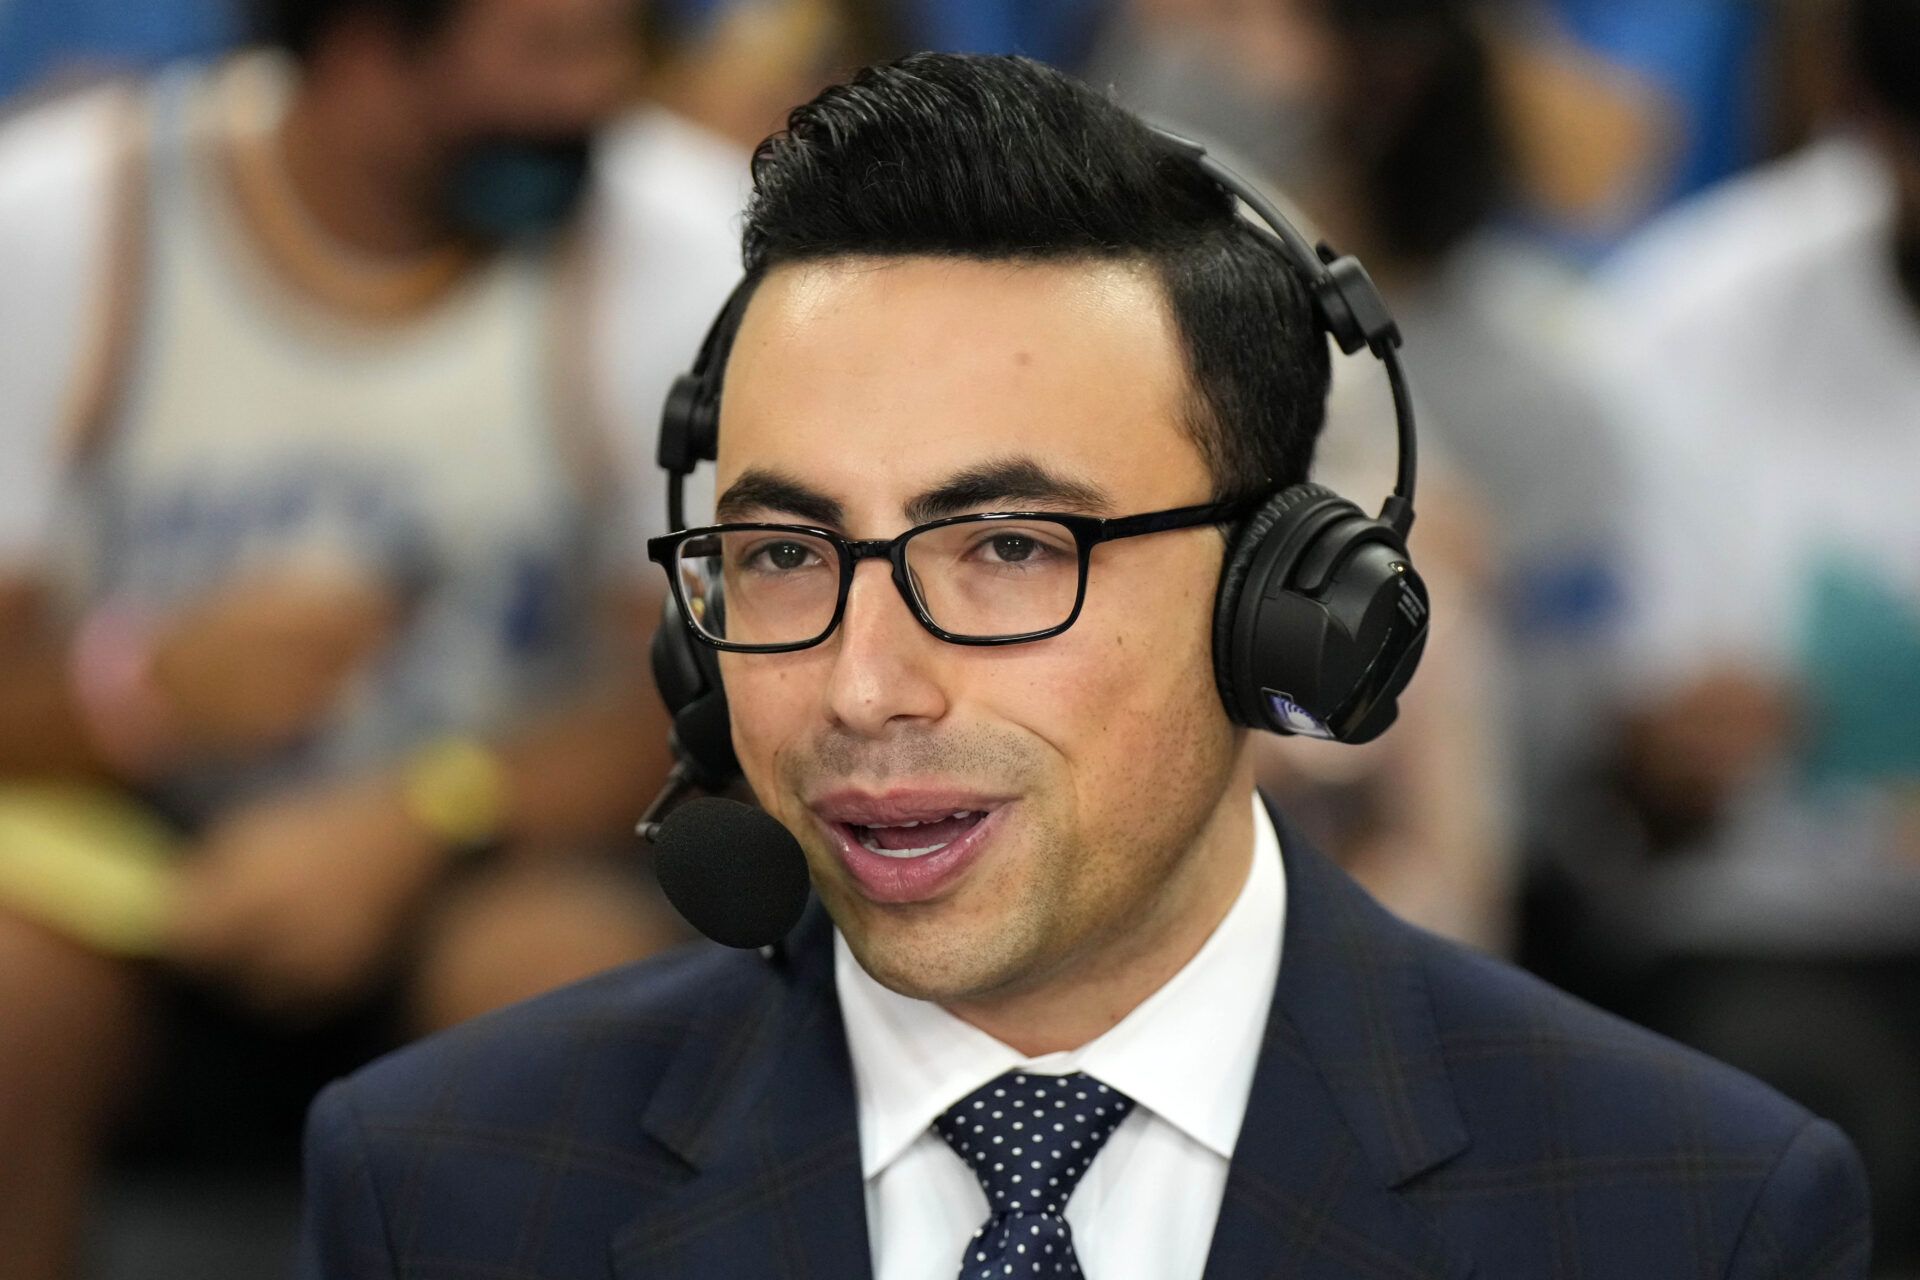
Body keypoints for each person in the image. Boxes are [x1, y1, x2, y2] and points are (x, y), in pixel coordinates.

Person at [297, 53, 1870, 1279]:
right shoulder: (445, 1188)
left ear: (1280, 608)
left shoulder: (1691, 1212)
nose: (862, 690)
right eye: (782, 557)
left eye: (1008, 551)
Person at [0, 0, 740, 1273]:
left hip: (492, 834)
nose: (600, 99)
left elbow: (709, 692)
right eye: (551, 52)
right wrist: (132, 693)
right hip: (133, 843)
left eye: (623, 46)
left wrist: (419, 813)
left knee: (566, 995)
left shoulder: (676, 236)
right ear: (359, 47)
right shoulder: (72, 217)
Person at [1580, 0, 1920, 1260]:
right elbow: (1624, 777)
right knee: (1785, 1128)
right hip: (1779, 928)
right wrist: (1653, 755)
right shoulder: (1688, 318)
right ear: (1874, 134)